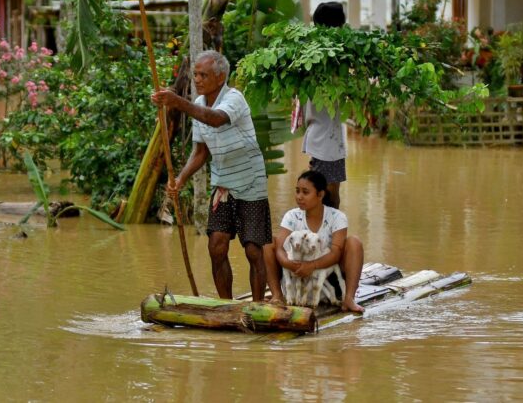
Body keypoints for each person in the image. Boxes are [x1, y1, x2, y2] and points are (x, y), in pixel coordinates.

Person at [151, 50, 271, 301]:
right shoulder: (200, 105)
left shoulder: (234, 98)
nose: (197, 79)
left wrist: (178, 102)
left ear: (220, 77)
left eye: (203, 74)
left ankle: (258, 305)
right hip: (223, 182)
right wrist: (180, 179)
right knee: (216, 246)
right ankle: (226, 305)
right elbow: (201, 152)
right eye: (195, 74)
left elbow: (216, 119)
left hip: (250, 181)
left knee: (252, 249)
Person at [264, 170, 365, 313]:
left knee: (354, 242)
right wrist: (290, 265)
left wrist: (312, 266)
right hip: (296, 279)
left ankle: (348, 298)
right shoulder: (291, 216)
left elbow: (336, 253)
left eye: (305, 192)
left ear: (320, 195)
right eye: (297, 191)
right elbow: (280, 248)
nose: (299, 197)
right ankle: (277, 295)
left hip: (326, 280)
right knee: (267, 242)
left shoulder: (337, 217)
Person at [302, 2, 349, 209]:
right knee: (326, 195)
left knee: (331, 194)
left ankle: (331, 237)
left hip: (329, 140)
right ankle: (327, 238)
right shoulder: (325, 57)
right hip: (324, 140)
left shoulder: (321, 54)